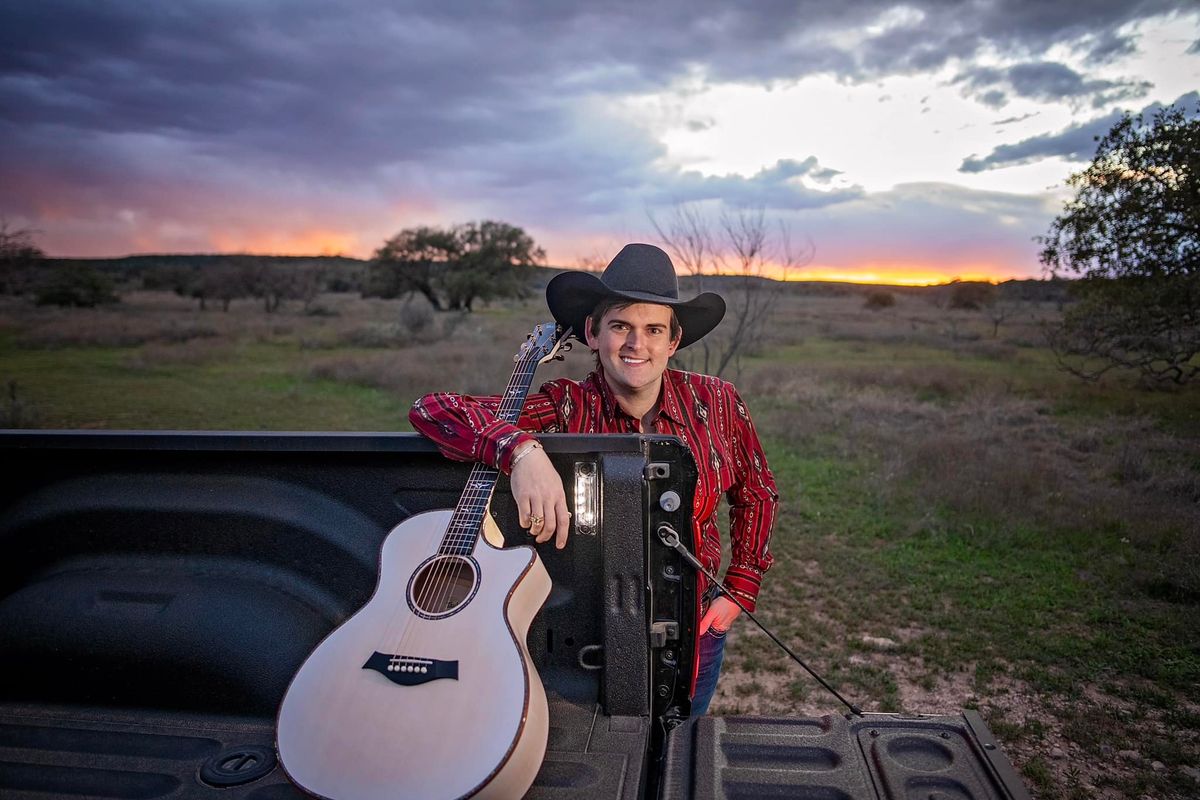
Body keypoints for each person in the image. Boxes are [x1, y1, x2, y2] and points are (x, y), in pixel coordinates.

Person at [410, 243, 779, 715]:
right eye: (620, 326)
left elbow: (758, 492)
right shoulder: (565, 405)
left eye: (653, 329)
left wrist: (740, 586)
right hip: (591, 622)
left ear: (673, 340)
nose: (635, 345)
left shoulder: (720, 403)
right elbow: (434, 409)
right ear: (592, 332)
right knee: (601, 741)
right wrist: (520, 449)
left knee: (681, 738)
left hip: (693, 616)